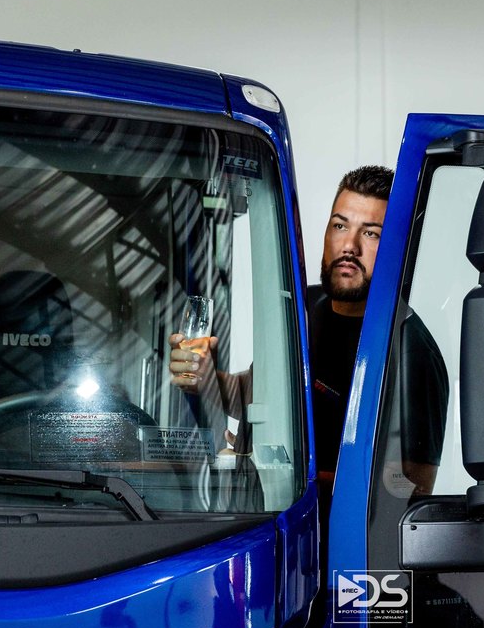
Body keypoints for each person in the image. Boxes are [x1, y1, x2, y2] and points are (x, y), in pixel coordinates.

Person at [167, 164, 447, 500]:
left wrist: (291, 472)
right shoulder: (304, 308)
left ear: (397, 247)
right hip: (269, 515)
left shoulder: (411, 350)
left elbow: (411, 490)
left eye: (371, 233)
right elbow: (262, 397)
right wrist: (208, 379)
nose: (349, 246)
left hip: (329, 532)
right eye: (340, 226)